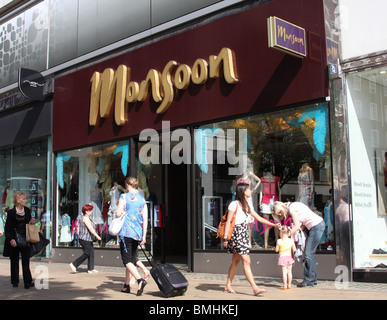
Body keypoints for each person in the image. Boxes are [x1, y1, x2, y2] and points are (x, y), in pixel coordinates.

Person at [223, 180, 281, 296]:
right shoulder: (234, 204)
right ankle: (255, 288)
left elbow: (259, 218)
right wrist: (225, 238)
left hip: (243, 233)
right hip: (236, 233)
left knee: (236, 260)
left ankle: (228, 285)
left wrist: (273, 225)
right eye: (248, 189)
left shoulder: (247, 205)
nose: (250, 191)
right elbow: (228, 221)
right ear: (243, 191)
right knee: (246, 260)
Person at [272, 201, 325, 287]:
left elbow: (296, 226)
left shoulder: (292, 208)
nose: (281, 215)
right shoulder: (294, 205)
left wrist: (287, 235)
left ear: (281, 209)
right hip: (316, 226)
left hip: (316, 226)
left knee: (308, 254)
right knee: (310, 254)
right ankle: (312, 279)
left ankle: (309, 280)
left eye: (280, 213)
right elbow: (303, 222)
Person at [116, 176, 150, 296]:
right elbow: (145, 218)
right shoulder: (141, 199)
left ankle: (139, 280)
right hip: (137, 233)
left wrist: (124, 212)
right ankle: (126, 285)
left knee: (126, 260)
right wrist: (144, 236)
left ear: (126, 185)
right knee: (131, 259)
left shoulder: (124, 197)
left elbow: (118, 213)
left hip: (126, 232)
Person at [4, 191, 36, 289]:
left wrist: (31, 222)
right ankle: (15, 281)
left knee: (26, 261)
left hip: (25, 238)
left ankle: (27, 281)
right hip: (14, 239)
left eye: (25, 199)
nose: (25, 200)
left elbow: (29, 224)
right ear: (18, 200)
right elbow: (7, 228)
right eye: (23, 199)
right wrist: (11, 240)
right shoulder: (11, 212)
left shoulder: (27, 210)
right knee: (14, 261)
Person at [69, 204, 101, 273]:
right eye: (90, 210)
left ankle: (90, 268)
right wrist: (97, 236)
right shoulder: (85, 218)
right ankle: (74, 264)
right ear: (86, 211)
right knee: (87, 253)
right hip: (84, 239)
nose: (91, 212)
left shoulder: (89, 218)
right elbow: (90, 228)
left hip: (88, 239)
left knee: (91, 253)